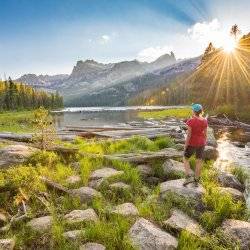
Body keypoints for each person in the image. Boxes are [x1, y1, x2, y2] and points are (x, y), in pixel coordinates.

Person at [183, 104, 208, 187]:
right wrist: (205, 142)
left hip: (192, 143)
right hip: (201, 143)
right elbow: (205, 134)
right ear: (201, 111)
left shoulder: (191, 121)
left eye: (192, 109)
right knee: (198, 161)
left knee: (185, 158)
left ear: (194, 111)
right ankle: (196, 179)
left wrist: (186, 145)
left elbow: (189, 135)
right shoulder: (205, 120)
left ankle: (188, 176)